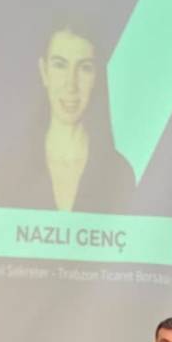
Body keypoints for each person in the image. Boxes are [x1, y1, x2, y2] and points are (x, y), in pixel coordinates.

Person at [25, 20, 135, 212]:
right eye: (60, 65)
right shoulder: (12, 169)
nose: (71, 85)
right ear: (44, 72)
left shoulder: (119, 173)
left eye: (84, 68)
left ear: (97, 76)